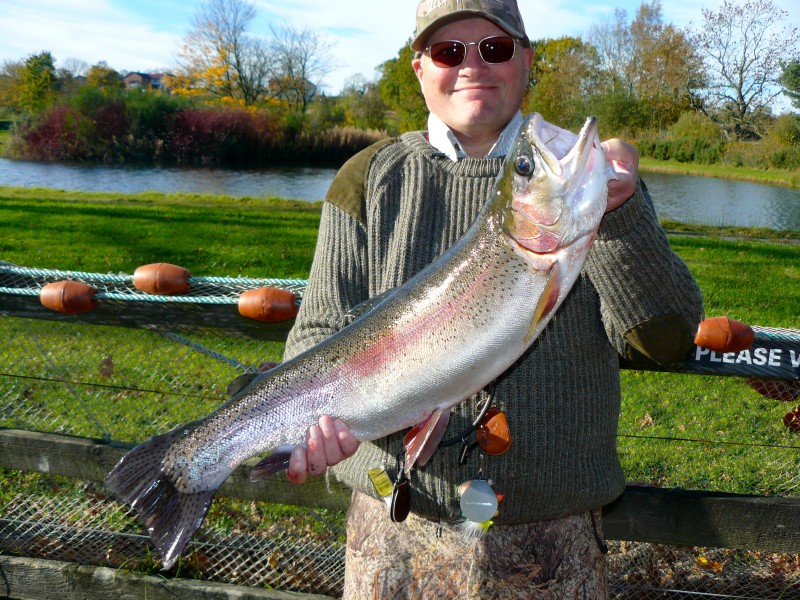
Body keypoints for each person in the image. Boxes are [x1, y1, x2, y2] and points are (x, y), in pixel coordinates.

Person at [282, 0, 704, 597]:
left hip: (552, 545)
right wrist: (314, 429)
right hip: (390, 535)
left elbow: (663, 339)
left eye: (496, 48)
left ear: (526, 62)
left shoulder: (589, 186)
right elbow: (314, 336)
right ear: (419, 70)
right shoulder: (368, 178)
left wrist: (621, 216)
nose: (472, 66)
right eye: (449, 51)